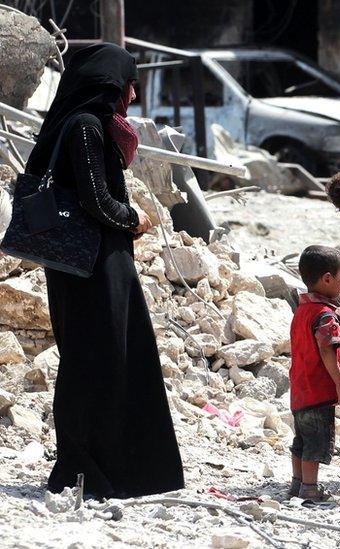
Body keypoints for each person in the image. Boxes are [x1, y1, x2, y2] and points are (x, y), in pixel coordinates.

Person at [21, 43, 183, 499]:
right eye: (128, 82)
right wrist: (134, 219)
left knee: (102, 356)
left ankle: (117, 467)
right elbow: (95, 199)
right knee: (99, 358)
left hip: (90, 262)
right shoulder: (86, 127)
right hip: (91, 264)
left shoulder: (82, 124)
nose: (132, 92)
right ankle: (93, 467)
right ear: (111, 83)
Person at [288, 245, 340, 502]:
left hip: (300, 389)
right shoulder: (326, 315)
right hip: (319, 389)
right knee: (316, 442)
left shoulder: (301, 310)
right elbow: (327, 351)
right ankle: (310, 488)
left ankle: (297, 483)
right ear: (327, 279)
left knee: (301, 440)